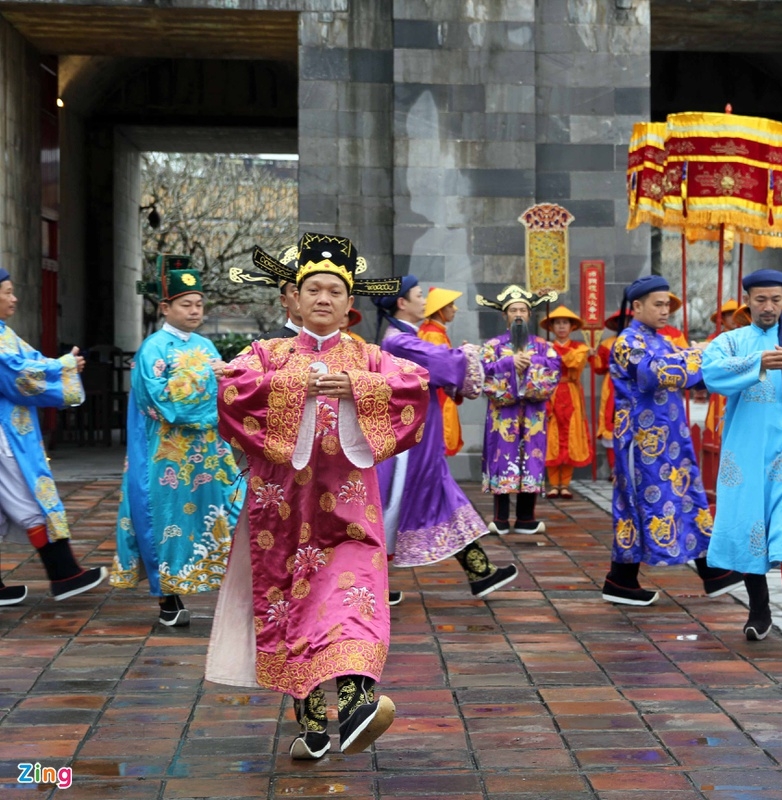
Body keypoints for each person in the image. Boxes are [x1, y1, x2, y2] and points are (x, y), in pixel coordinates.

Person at [206, 232, 429, 760]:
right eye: (313, 289)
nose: (323, 298)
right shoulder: (268, 353)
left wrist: (360, 390)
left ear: (351, 304)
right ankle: (310, 721)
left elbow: (415, 390)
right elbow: (232, 396)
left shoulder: (371, 358)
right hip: (280, 511)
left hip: (351, 509)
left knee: (351, 594)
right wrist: (289, 388)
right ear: (292, 298)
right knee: (291, 604)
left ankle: (355, 705)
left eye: (334, 290)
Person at [110, 255, 245, 626]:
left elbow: (225, 391)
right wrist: (208, 378)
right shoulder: (153, 349)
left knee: (232, 510)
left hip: (210, 452)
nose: (195, 310)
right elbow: (159, 402)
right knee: (167, 519)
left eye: (199, 304)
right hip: (168, 455)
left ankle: (238, 591)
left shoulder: (204, 345)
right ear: (165, 307)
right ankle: (169, 597)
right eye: (186, 304)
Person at [702, 270, 782, 645]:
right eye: (761, 299)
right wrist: (757, 363)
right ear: (748, 300)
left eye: (775, 299)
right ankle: (759, 609)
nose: (769, 307)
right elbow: (711, 373)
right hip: (742, 453)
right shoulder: (732, 342)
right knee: (749, 526)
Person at [373, 278, 519, 600]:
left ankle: (480, 572)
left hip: (420, 436)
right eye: (418, 295)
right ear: (401, 303)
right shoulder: (399, 342)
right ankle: (370, 585)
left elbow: (445, 363)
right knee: (395, 505)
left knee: (435, 498)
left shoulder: (403, 338)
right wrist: (473, 356)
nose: (424, 300)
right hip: (410, 442)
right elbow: (446, 363)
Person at [603, 275, 742, 606]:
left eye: (668, 304)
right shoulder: (627, 342)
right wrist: (697, 355)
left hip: (671, 440)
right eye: (658, 304)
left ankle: (711, 572)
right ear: (636, 307)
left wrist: (705, 358)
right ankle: (623, 579)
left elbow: (688, 373)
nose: (666, 311)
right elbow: (654, 374)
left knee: (686, 494)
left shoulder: (661, 341)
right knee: (640, 503)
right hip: (643, 441)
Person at [0, 266, 106, 605]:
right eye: (7, 292)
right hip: (5, 437)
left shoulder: (4, 332)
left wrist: (63, 363)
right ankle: (64, 574)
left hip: (10, 431)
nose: (14, 298)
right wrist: (63, 367)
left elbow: (31, 361)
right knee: (31, 500)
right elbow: (19, 377)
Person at [476, 285, 561, 535]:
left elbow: (554, 373)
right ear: (505, 316)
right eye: (513, 310)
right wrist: (509, 365)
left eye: (523, 309)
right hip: (503, 416)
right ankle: (500, 518)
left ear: (530, 314)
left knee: (531, 458)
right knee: (502, 459)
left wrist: (530, 365)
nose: (518, 314)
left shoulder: (544, 347)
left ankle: (526, 518)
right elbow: (483, 377)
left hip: (533, 415)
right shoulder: (491, 347)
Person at [540, 305, 594, 499]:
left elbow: (573, 363)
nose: (561, 327)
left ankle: (565, 484)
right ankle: (553, 484)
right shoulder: (545, 347)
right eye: (557, 323)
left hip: (571, 392)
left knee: (571, 435)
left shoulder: (579, 347)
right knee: (552, 434)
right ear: (552, 327)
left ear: (571, 327)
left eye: (565, 323)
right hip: (551, 391)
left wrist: (557, 357)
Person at [417, 287, 467, 457]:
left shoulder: (434, 331)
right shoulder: (433, 334)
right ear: (440, 310)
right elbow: (440, 368)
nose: (455, 309)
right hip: (438, 394)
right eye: (450, 305)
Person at [589, 313, 624, 480]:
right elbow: (599, 368)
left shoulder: (642, 342)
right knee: (611, 424)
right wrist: (593, 356)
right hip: (612, 386)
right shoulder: (607, 344)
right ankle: (615, 470)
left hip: (635, 385)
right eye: (620, 321)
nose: (624, 324)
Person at [702, 299, 741, 442]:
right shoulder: (713, 340)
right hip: (720, 395)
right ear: (722, 318)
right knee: (715, 436)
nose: (733, 317)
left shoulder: (748, 337)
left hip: (743, 391)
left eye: (736, 313)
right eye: (729, 314)